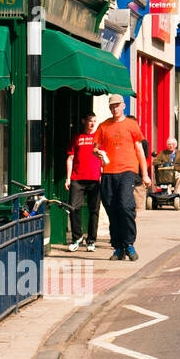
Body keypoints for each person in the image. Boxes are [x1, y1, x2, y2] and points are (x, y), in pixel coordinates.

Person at [94, 95, 151, 261]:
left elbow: (139, 150)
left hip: (127, 170)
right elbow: (95, 147)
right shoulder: (104, 126)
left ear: (123, 106)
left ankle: (129, 244)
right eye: (112, 106)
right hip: (108, 172)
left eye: (117, 106)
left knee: (126, 206)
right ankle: (118, 247)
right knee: (112, 209)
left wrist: (145, 174)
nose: (114, 109)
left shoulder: (132, 125)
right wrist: (97, 152)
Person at [65, 113, 102, 252]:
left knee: (94, 210)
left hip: (94, 179)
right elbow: (70, 158)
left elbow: (103, 158)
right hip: (77, 178)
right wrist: (68, 178)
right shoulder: (77, 137)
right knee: (73, 208)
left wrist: (102, 174)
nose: (92, 124)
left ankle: (91, 241)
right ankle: (77, 237)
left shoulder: (99, 138)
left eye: (94, 121)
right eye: (90, 121)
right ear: (83, 121)